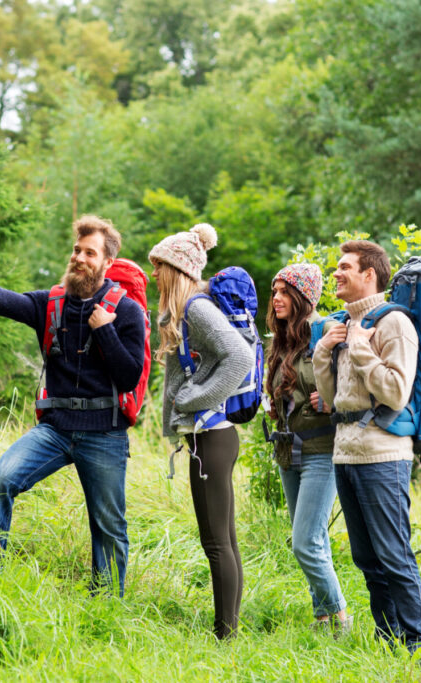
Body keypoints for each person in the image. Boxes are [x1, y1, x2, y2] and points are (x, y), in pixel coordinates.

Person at [0, 215, 146, 596]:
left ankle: (106, 606)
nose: (79, 258)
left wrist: (105, 329)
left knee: (108, 526)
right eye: (76, 250)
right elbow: (8, 303)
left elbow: (130, 375)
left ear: (106, 263)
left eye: (89, 252)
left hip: (104, 432)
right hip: (55, 429)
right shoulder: (50, 303)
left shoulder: (127, 311)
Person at [311, 240, 421, 655]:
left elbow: (396, 392)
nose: (337, 274)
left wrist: (360, 347)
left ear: (370, 275)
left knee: (394, 556)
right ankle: (388, 642)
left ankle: (419, 648)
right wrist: (323, 353)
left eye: (345, 267)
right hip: (345, 453)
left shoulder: (394, 324)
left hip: (383, 455)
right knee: (367, 559)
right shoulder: (346, 323)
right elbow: (332, 400)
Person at [148, 223, 253, 640]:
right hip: (211, 438)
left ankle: (224, 637)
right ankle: (229, 629)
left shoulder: (196, 309)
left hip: (211, 437)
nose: (153, 273)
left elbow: (240, 357)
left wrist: (192, 399)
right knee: (223, 539)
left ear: (176, 268)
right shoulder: (183, 312)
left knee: (216, 542)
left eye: (159, 266)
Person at [264, 263, 351, 634]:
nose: (277, 298)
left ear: (304, 297)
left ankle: (341, 615)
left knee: (305, 542)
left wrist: (332, 397)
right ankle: (322, 619)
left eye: (285, 292)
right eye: (275, 292)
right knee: (315, 540)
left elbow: (353, 381)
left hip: (321, 449)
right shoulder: (280, 338)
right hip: (288, 450)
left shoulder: (330, 332)